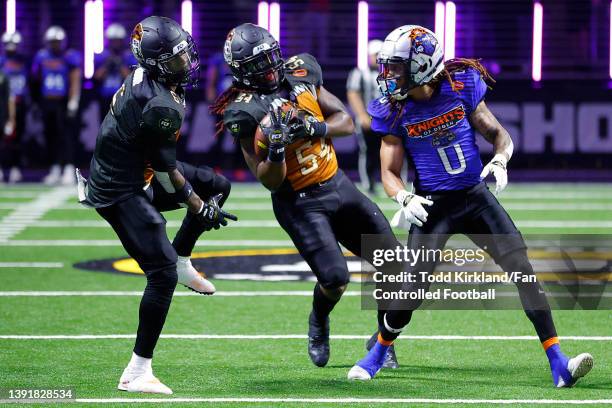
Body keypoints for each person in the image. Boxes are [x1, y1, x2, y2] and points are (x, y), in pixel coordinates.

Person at [347, 25, 594, 387]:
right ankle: (378, 352)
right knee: (411, 290)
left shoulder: (459, 85)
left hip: (475, 198)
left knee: (523, 271)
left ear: (421, 65)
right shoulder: (395, 109)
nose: (389, 75)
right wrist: (403, 196)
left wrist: (501, 158)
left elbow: (498, 135)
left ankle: (558, 361)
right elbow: (388, 172)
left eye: (397, 66)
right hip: (433, 206)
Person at [211, 23, 399, 369]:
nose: (269, 68)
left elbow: (345, 120)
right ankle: (318, 321)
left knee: (394, 264)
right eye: (259, 64)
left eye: (271, 58)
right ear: (241, 71)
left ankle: (381, 341)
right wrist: (277, 150)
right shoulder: (243, 111)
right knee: (335, 278)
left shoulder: (300, 72)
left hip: (337, 184)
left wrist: (315, 127)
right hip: (299, 202)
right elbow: (268, 180)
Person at [79, 16, 237, 393]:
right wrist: (199, 207)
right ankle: (137, 371)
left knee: (218, 184)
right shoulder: (160, 103)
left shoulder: (150, 80)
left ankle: (183, 259)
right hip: (120, 189)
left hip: (137, 170)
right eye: (176, 58)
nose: (186, 63)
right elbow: (168, 173)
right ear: (155, 62)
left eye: (185, 53)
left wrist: (203, 198)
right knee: (160, 274)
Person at [31, 26, 81, 185]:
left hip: (62, 101)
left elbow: (75, 79)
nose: (55, 45)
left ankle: (68, 168)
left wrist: (73, 100)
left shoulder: (69, 56)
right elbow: (35, 79)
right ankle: (54, 167)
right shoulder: (41, 56)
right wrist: (36, 101)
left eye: (57, 42)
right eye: (53, 42)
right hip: (47, 101)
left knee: (66, 136)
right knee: (50, 135)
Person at [346, 39, 383, 195]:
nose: (377, 58)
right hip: (368, 119)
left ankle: (395, 183)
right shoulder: (360, 73)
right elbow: (353, 93)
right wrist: (362, 115)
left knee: (391, 151)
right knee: (368, 152)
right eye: (375, 54)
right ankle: (369, 185)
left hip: (386, 120)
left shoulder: (389, 72)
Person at [0, 31, 27, 183]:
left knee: (18, 137)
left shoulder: (24, 61)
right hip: (3, 105)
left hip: (20, 102)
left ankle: (16, 168)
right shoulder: (1, 61)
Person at [93, 23, 137, 114]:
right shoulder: (102, 56)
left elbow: (131, 79)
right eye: (113, 41)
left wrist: (120, 64)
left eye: (118, 41)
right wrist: (106, 65)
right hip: (105, 98)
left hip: (123, 98)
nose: (115, 44)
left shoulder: (128, 56)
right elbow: (97, 77)